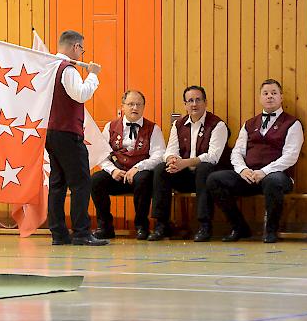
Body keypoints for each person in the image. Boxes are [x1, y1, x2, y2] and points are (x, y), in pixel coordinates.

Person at [207, 79, 304, 243]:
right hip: (249, 175)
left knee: (273, 181)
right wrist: (242, 170)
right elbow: (237, 151)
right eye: (265, 93)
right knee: (214, 180)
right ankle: (239, 227)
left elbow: (291, 156)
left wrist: (264, 172)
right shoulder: (249, 124)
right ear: (260, 98)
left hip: (277, 176)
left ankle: (271, 231)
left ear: (281, 97)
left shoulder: (292, 124)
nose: (270, 97)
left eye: (274, 93)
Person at [45, 30, 109, 246]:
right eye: (82, 48)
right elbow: (80, 94)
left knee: (57, 184)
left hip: (51, 132)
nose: (82, 53)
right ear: (75, 47)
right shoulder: (68, 69)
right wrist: (93, 74)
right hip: (67, 133)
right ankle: (81, 232)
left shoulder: (50, 66)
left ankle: (59, 234)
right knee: (81, 183)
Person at [148, 85, 230, 242]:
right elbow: (170, 150)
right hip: (186, 176)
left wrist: (185, 162)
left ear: (205, 102)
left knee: (204, 168)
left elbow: (213, 156)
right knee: (161, 169)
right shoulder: (178, 125)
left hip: (208, 177)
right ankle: (161, 225)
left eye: (198, 100)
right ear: (185, 104)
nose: (194, 104)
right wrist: (172, 159)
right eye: (190, 101)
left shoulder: (217, 125)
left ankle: (204, 225)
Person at [91, 90, 166, 240]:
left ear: (144, 107)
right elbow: (101, 154)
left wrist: (139, 168)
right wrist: (112, 171)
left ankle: (141, 226)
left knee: (143, 178)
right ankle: (105, 226)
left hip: (140, 176)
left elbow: (159, 155)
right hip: (117, 175)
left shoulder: (153, 129)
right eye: (130, 104)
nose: (134, 108)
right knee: (95, 180)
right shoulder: (110, 127)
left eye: (138, 104)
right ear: (123, 106)